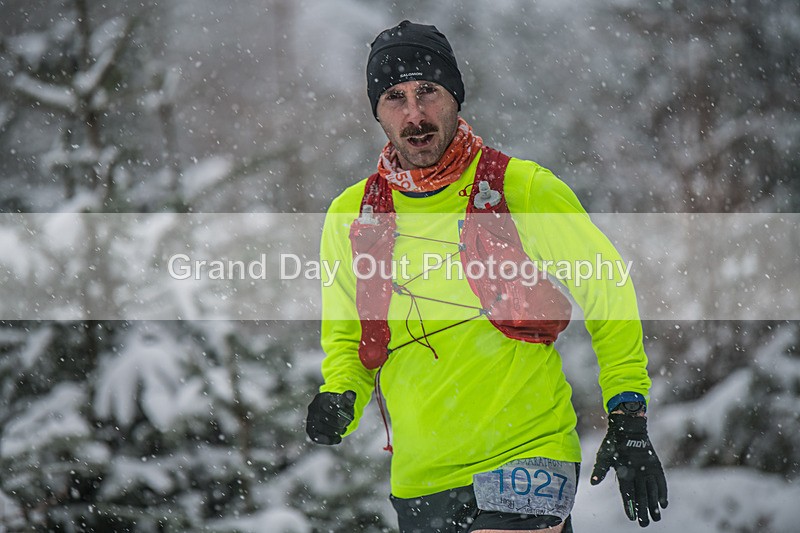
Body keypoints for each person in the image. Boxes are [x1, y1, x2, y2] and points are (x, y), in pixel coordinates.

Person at [306, 20, 668, 533]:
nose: (414, 114)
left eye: (428, 91)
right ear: (377, 112)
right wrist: (341, 395)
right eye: (395, 97)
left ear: (455, 96)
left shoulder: (521, 189)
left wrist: (628, 413)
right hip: (420, 477)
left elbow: (608, 288)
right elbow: (348, 337)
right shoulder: (354, 214)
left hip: (527, 453)